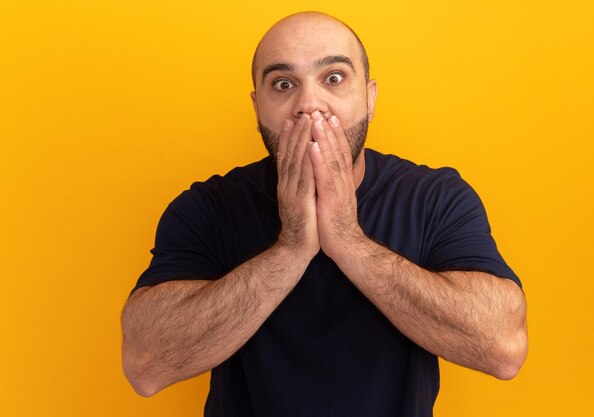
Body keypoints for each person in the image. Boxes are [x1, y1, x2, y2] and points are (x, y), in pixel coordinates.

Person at [122, 11, 528, 417]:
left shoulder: (434, 197)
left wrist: (347, 241)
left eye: (333, 78)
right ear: (257, 107)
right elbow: (145, 365)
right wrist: (292, 247)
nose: (309, 105)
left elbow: (503, 347)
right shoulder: (208, 207)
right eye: (283, 84)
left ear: (369, 98)